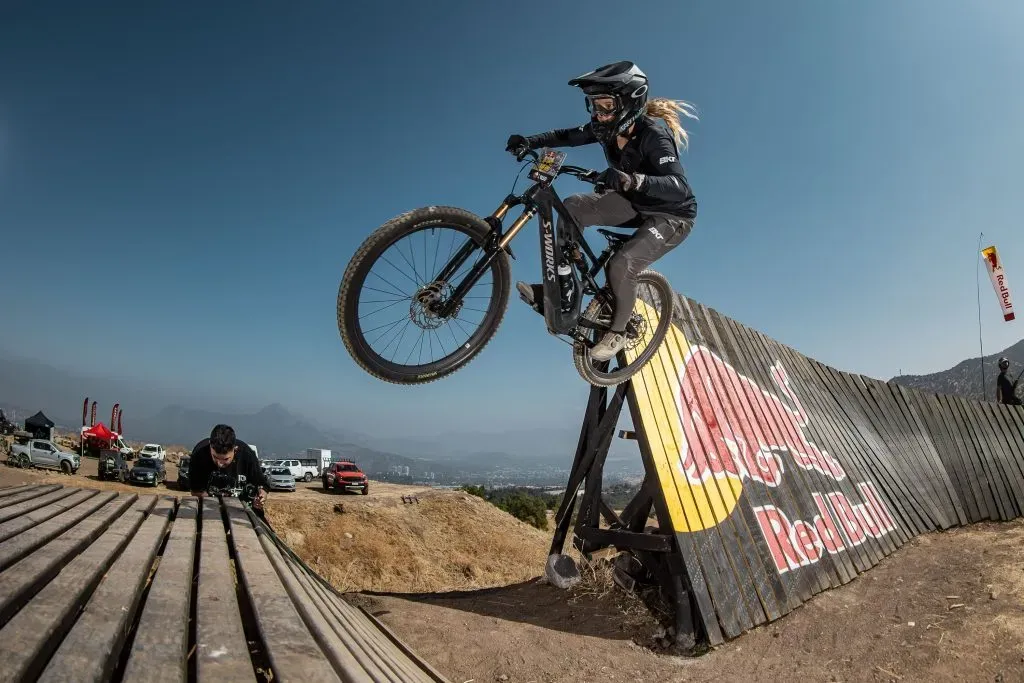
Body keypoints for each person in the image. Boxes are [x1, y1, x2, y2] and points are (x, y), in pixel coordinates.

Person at [505, 60, 698, 361]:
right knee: (573, 208)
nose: (599, 114)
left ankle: (619, 331)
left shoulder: (654, 136)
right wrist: (531, 140)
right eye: (594, 105)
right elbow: (567, 135)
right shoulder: (605, 129)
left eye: (607, 105)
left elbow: (679, 186)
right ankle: (562, 290)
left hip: (671, 216)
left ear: (630, 103)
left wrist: (635, 179)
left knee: (623, 264)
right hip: (634, 203)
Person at [188, 424, 272, 525]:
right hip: (210, 513)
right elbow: (196, 491)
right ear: (210, 445)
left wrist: (261, 497)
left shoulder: (247, 454)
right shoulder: (199, 455)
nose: (220, 463)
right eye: (215, 457)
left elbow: (262, 484)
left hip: (245, 513)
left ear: (235, 449)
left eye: (226, 459)